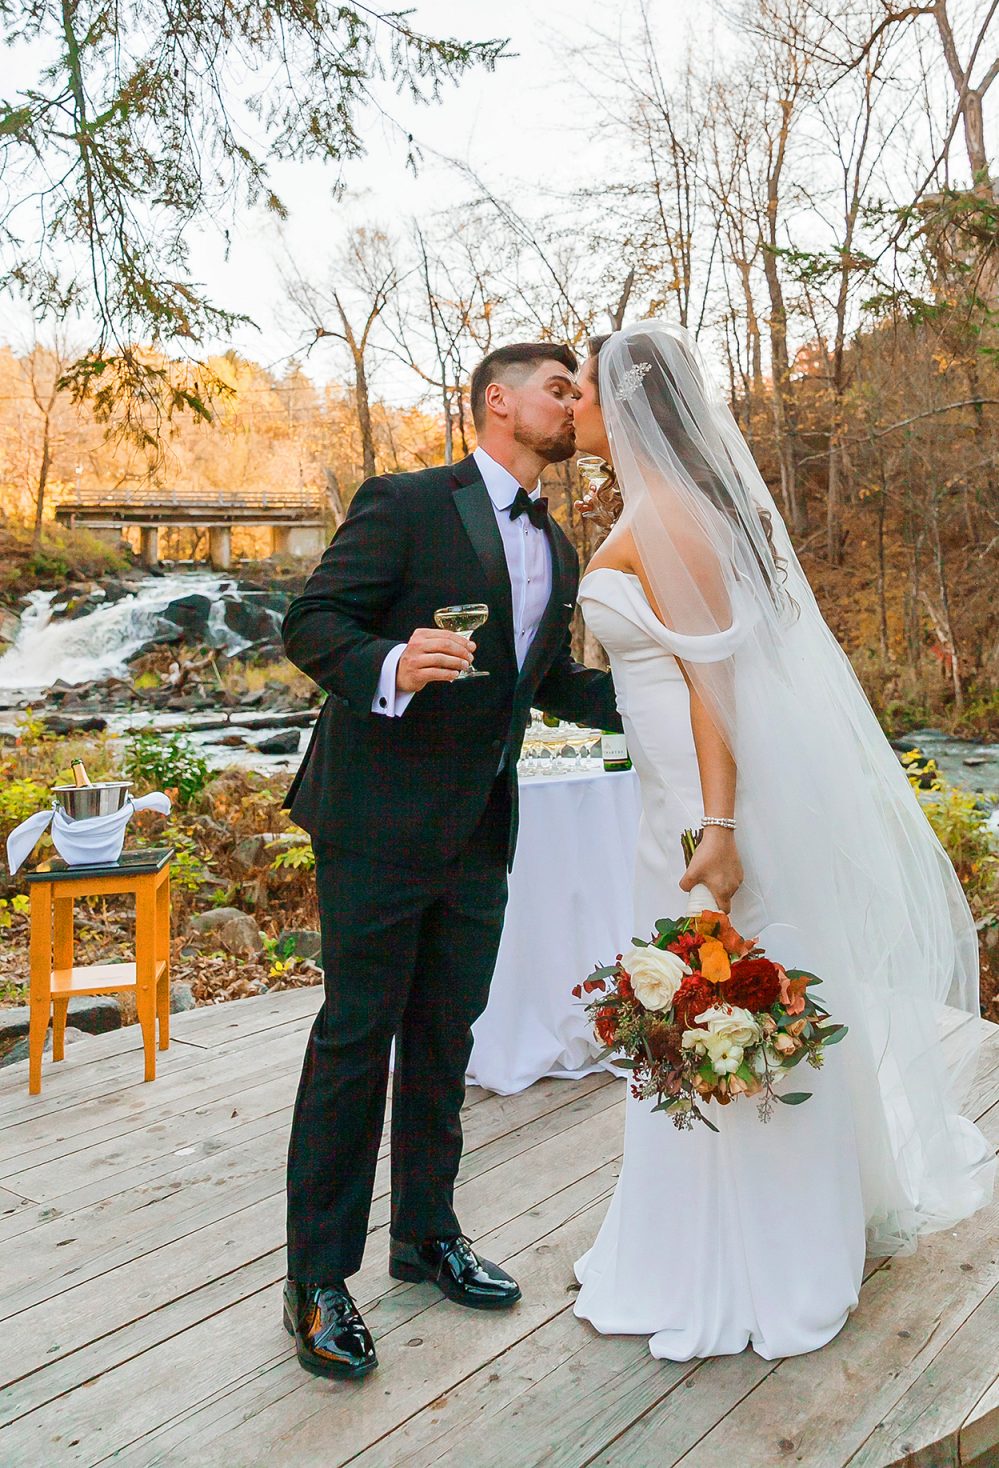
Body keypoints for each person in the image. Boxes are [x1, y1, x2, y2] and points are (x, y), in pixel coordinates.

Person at [569, 319, 995, 1361]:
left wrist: (716, 829)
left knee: (736, 993)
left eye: (581, 389)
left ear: (626, 406)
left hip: (702, 807)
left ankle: (773, 1245)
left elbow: (720, 693)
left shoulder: (672, 518)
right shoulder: (659, 508)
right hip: (668, 792)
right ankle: (693, 1228)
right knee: (693, 1003)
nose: (572, 405)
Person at [280, 341, 621, 1379]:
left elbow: (547, 679)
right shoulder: (405, 501)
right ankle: (317, 1281)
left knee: (445, 1039)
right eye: (558, 389)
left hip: (480, 827)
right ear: (496, 402)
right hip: (376, 821)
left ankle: (426, 1238)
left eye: (578, 391)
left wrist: (670, 697)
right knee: (355, 1037)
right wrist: (388, 661)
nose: (572, 405)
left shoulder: (559, 548)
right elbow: (310, 622)